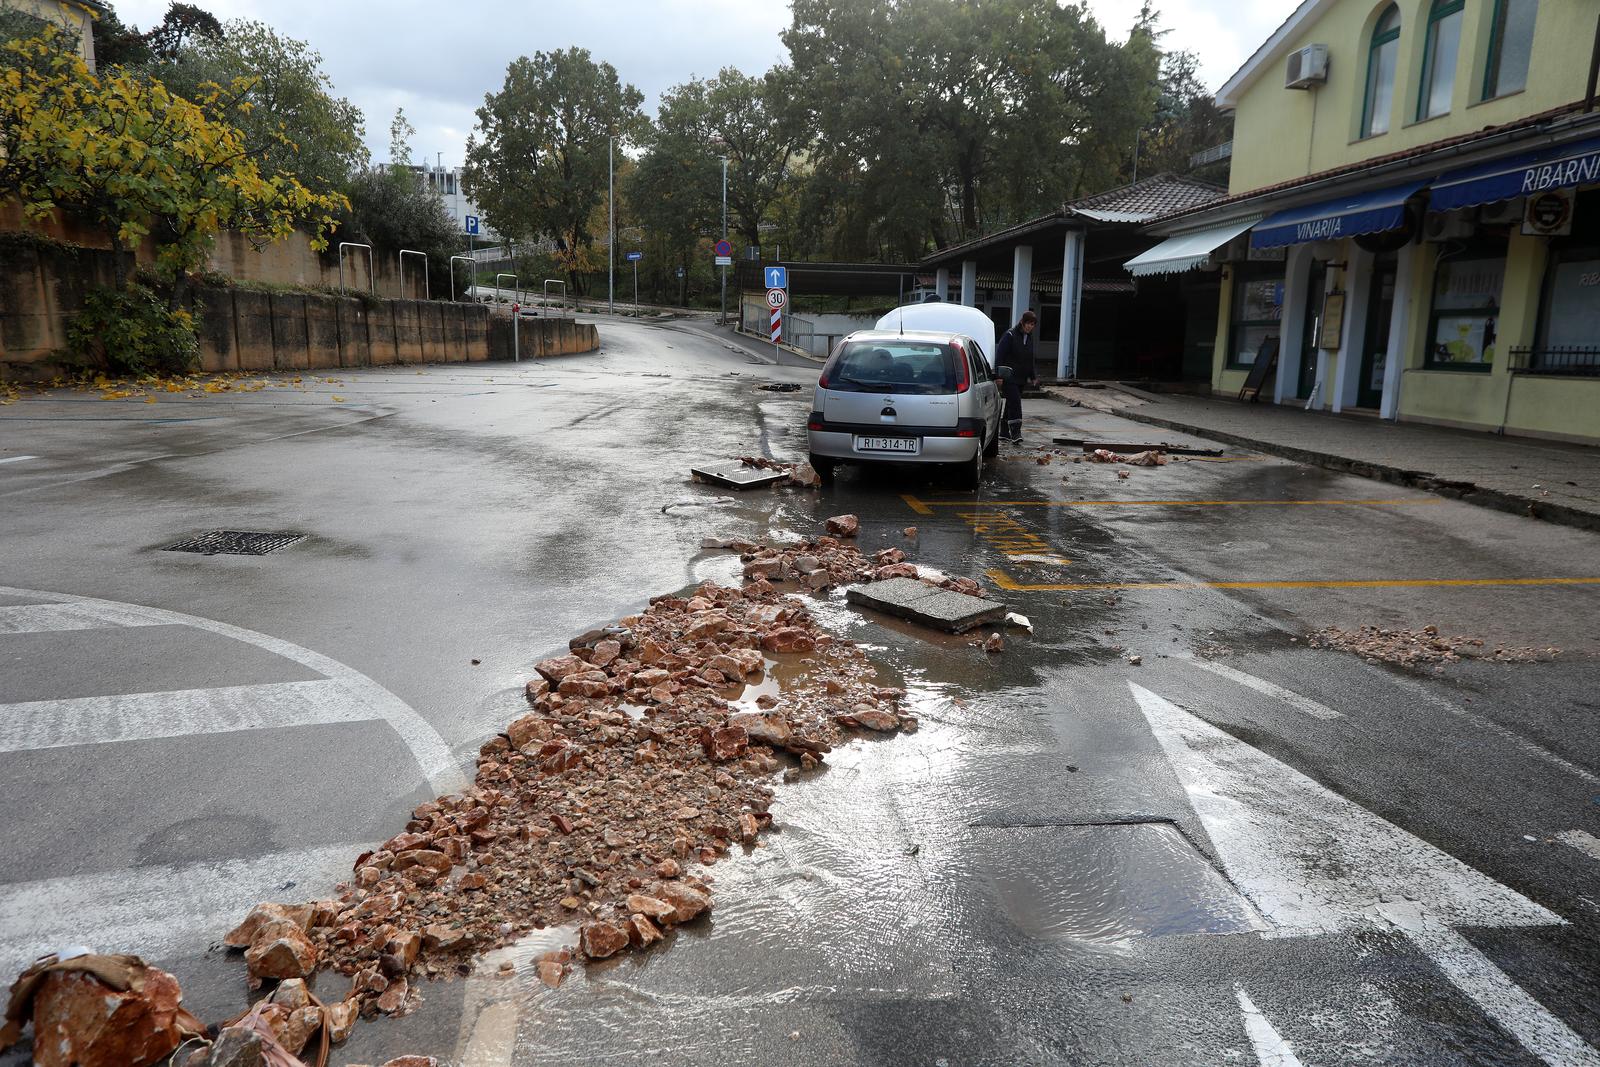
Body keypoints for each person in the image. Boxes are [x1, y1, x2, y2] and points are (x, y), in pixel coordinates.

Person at [995, 310, 1038, 443]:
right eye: (1028, 324)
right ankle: (1016, 432)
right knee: (1015, 403)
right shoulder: (1010, 335)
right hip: (1009, 376)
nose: (1030, 327)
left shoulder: (1029, 338)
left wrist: (1033, 376)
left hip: (1021, 377)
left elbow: (1030, 358)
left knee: (1010, 404)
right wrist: (999, 375)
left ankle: (1003, 431)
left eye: (1032, 324)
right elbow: (1000, 355)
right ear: (1022, 322)